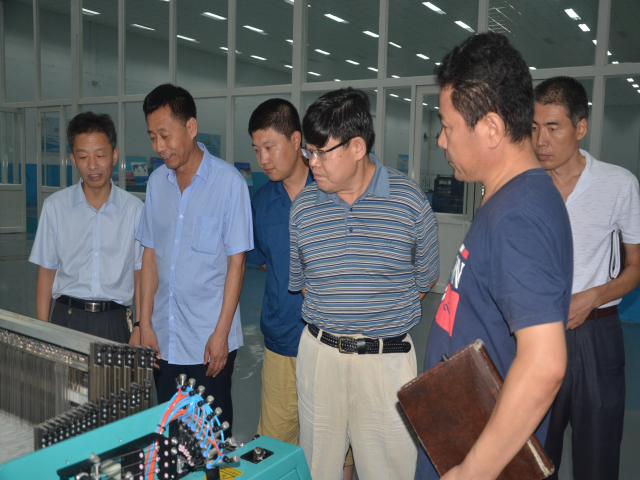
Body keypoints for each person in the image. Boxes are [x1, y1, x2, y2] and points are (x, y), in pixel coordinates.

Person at [415, 33, 573, 480]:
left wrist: (473, 471)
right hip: (461, 432)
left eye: (447, 127)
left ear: (490, 128)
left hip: (480, 458)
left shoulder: (519, 214)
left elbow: (545, 364)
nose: (441, 141)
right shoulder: (508, 198)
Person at [289, 87, 439, 480]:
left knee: (391, 472)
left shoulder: (409, 202)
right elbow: (303, 282)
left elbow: (426, 277)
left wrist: (376, 315)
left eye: (322, 152)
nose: (312, 162)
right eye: (309, 151)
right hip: (321, 360)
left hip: (386, 364)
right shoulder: (303, 208)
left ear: (358, 147)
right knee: (317, 470)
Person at [533, 76, 640, 480]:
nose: (541, 140)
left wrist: (593, 296)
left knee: (597, 458)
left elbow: (636, 265)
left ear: (580, 128)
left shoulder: (619, 184)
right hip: (536, 334)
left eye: (553, 127)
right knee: (534, 458)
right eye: (534, 127)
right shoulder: (524, 185)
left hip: (597, 338)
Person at [136, 84, 253, 437]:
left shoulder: (228, 183)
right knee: (168, 436)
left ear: (190, 127)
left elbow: (236, 263)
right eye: (152, 137)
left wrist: (221, 334)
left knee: (210, 441)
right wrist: (144, 324)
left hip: (208, 342)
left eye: (165, 135)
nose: (159, 146)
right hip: (164, 338)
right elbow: (149, 256)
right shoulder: (156, 184)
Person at [29, 112, 143, 343]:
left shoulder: (135, 210)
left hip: (115, 321)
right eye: (83, 156)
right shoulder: (55, 207)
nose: (92, 165)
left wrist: (140, 326)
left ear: (114, 155)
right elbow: (47, 271)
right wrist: (42, 331)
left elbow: (140, 274)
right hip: (66, 319)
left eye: (100, 155)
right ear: (73, 158)